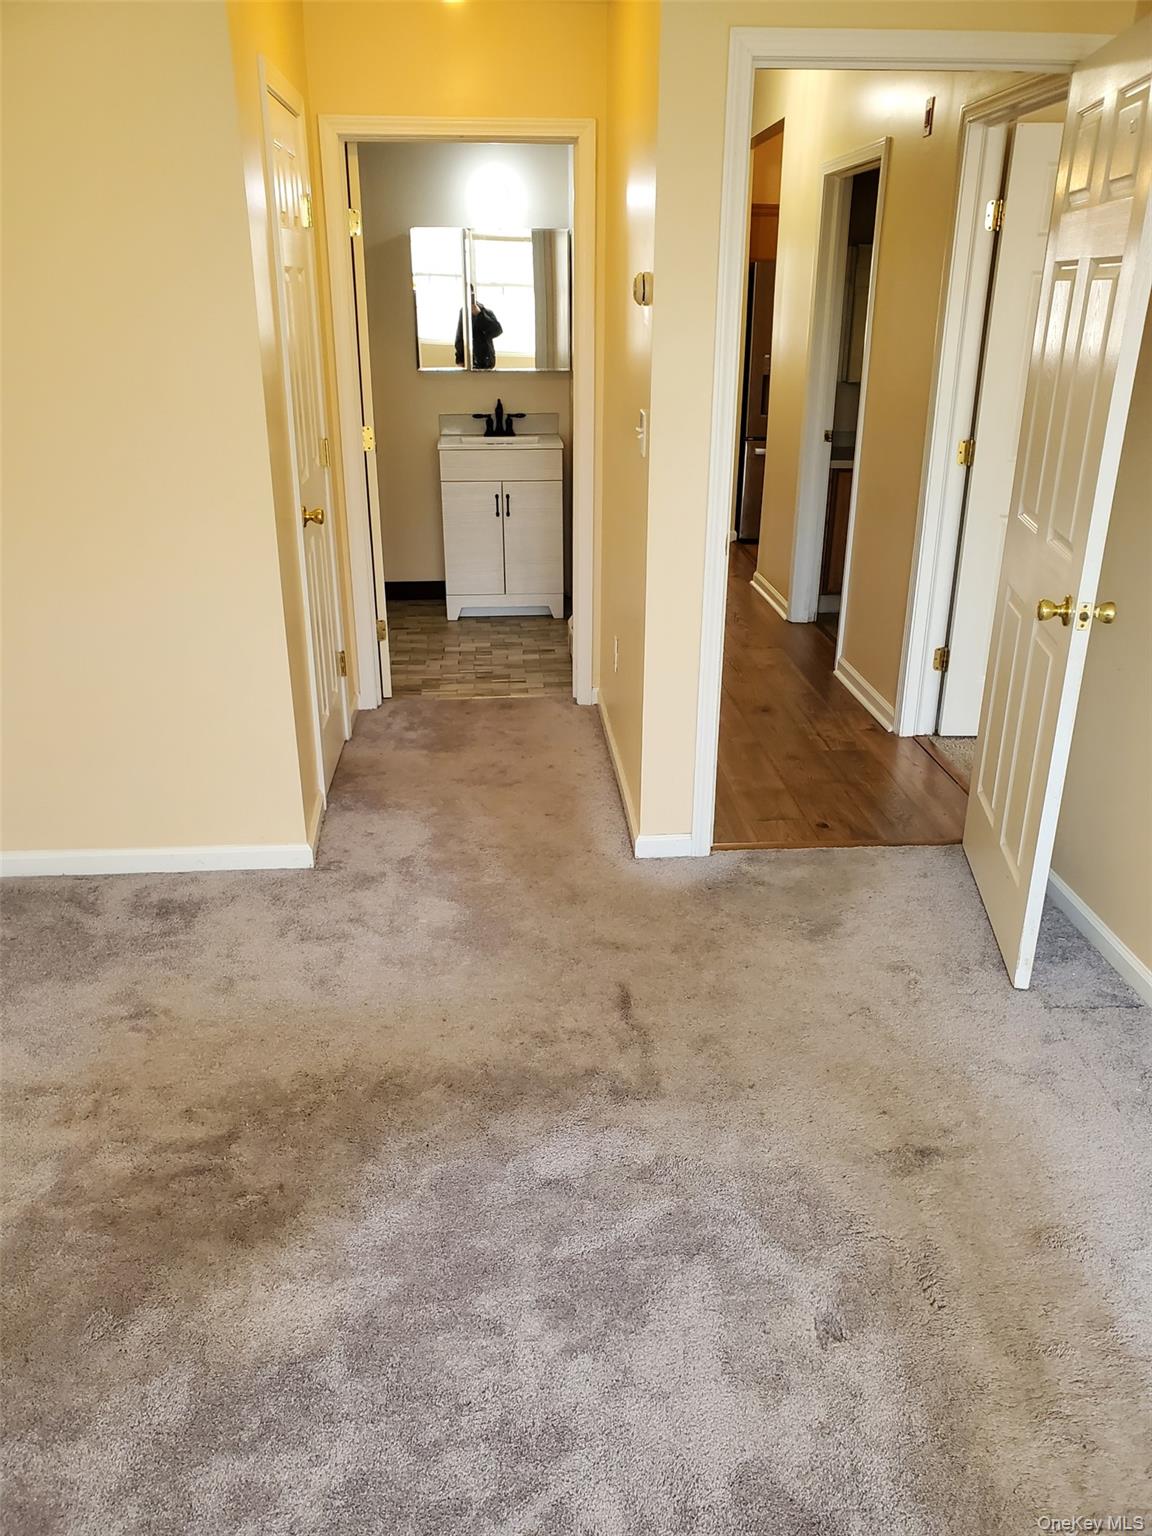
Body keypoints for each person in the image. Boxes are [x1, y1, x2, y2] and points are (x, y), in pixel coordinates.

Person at [455, 287, 503, 370]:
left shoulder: (485, 311)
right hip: (468, 362)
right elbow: (460, 336)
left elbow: (498, 330)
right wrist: (459, 359)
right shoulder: (463, 312)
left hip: (486, 362)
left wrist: (479, 314)